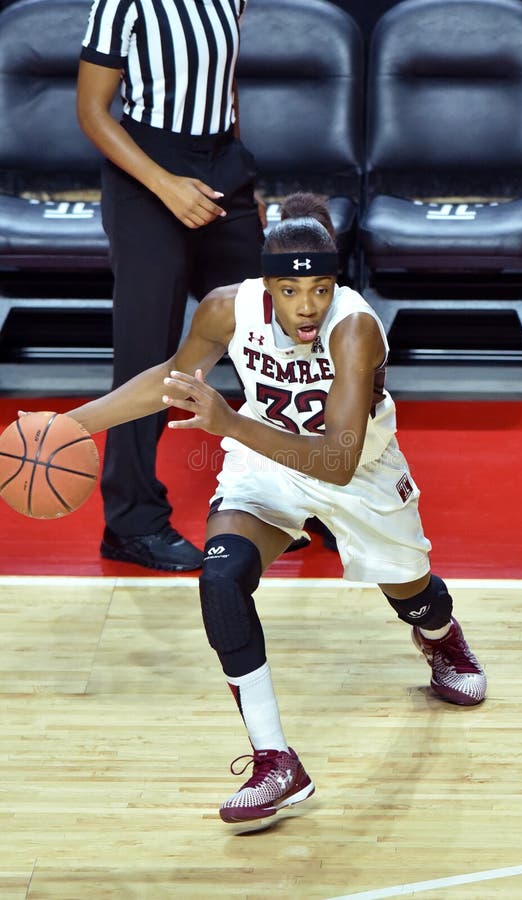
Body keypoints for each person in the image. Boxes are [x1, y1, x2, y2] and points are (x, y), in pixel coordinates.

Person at [53, 193, 487, 824]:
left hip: (358, 471)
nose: (306, 305)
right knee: (221, 581)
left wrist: (227, 420)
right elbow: (174, 376)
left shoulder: (354, 327)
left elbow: (336, 460)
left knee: (413, 591)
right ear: (265, 285)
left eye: (319, 287)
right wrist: (66, 428)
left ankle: (441, 639)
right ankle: (276, 760)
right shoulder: (227, 308)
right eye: (289, 290)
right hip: (264, 465)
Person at [77, 0, 265, 571]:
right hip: (145, 171)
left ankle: (309, 490)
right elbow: (91, 111)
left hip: (219, 167)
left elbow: (222, 90)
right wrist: (165, 184)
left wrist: (241, 185)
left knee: (278, 323)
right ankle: (131, 523)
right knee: (148, 351)